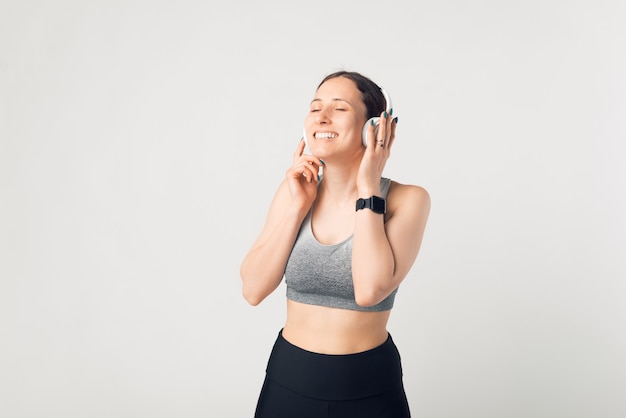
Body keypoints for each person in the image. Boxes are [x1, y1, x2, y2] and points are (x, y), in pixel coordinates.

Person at [240, 70, 430, 418]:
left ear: (374, 126)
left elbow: (370, 291)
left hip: (369, 387)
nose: (322, 117)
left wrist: (369, 187)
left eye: (339, 108)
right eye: (315, 108)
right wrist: (298, 206)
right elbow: (252, 289)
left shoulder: (408, 199)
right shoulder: (294, 191)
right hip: (288, 378)